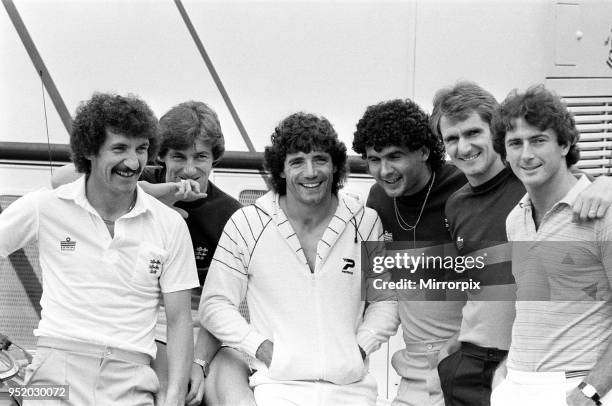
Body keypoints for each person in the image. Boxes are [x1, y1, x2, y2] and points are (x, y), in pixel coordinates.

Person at [0, 93, 198, 405]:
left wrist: (173, 395)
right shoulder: (46, 206)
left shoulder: (170, 225)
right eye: (119, 148)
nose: (133, 163)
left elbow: (179, 320)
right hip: (54, 377)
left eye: (142, 149)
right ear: (89, 151)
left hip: (132, 380)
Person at [50, 101, 249, 406]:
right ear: (161, 156)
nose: (189, 169)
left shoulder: (230, 214)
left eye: (201, 157)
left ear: (215, 159)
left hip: (203, 328)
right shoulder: (132, 184)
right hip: (140, 323)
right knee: (166, 388)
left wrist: (199, 362)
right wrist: (153, 195)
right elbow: (59, 179)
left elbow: (221, 305)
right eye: (178, 157)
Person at [431, 81, 612, 406]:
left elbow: (578, 185)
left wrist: (591, 390)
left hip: (565, 381)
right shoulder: (503, 214)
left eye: (473, 133)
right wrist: (459, 348)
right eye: (452, 139)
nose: (463, 147)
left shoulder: (576, 197)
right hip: (492, 373)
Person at [200, 112, 399, 405]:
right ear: (280, 170)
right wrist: (262, 349)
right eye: (297, 161)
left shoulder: (366, 221)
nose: (310, 172)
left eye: (320, 159)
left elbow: (386, 301)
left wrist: (358, 349)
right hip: (277, 389)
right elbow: (214, 304)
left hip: (353, 390)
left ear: (335, 166)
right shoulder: (248, 223)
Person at [490, 85, 612, 405]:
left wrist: (592, 390)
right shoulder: (515, 219)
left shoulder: (602, 212)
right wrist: (504, 375)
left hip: (577, 387)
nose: (526, 154)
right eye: (515, 143)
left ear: (565, 143)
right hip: (515, 386)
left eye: (538, 140)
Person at [353, 99, 467, 406]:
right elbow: (381, 289)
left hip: (469, 364)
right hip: (414, 370)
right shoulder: (377, 198)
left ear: (424, 151)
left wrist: (599, 184)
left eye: (394, 156)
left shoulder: (465, 186)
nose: (384, 170)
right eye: (374, 159)